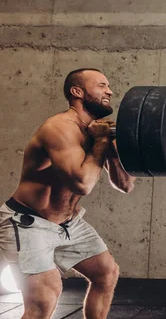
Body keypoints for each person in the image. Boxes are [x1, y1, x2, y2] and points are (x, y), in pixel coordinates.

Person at [0, 68, 136, 319]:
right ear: (77, 92)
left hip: (68, 223)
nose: (110, 91)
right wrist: (101, 144)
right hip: (28, 223)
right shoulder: (59, 128)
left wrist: (113, 151)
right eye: (102, 85)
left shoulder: (99, 132)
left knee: (106, 273)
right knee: (44, 299)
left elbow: (125, 185)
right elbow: (82, 184)